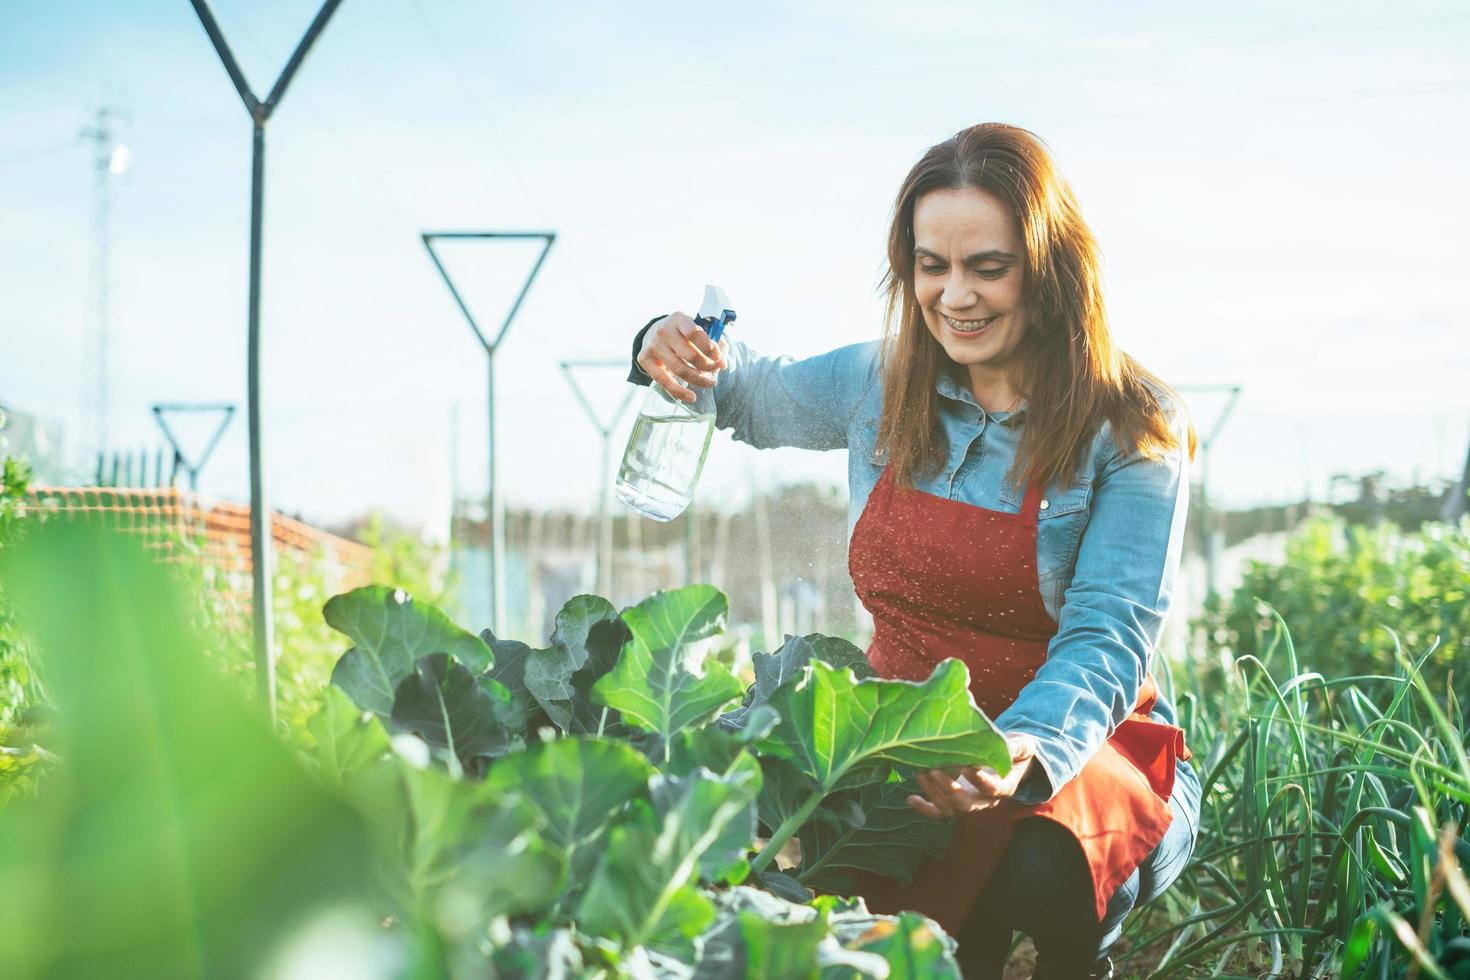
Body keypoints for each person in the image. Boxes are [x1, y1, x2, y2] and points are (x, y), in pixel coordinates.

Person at [624, 122, 1201, 980]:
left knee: (1035, 866)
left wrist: (1020, 748)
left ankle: (1084, 959)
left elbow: (1109, 633)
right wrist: (661, 342)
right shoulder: (879, 385)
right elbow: (742, 389)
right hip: (903, 740)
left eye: (988, 267)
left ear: (1050, 266)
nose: (955, 296)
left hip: (1074, 746)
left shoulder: (1132, 421)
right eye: (933, 266)